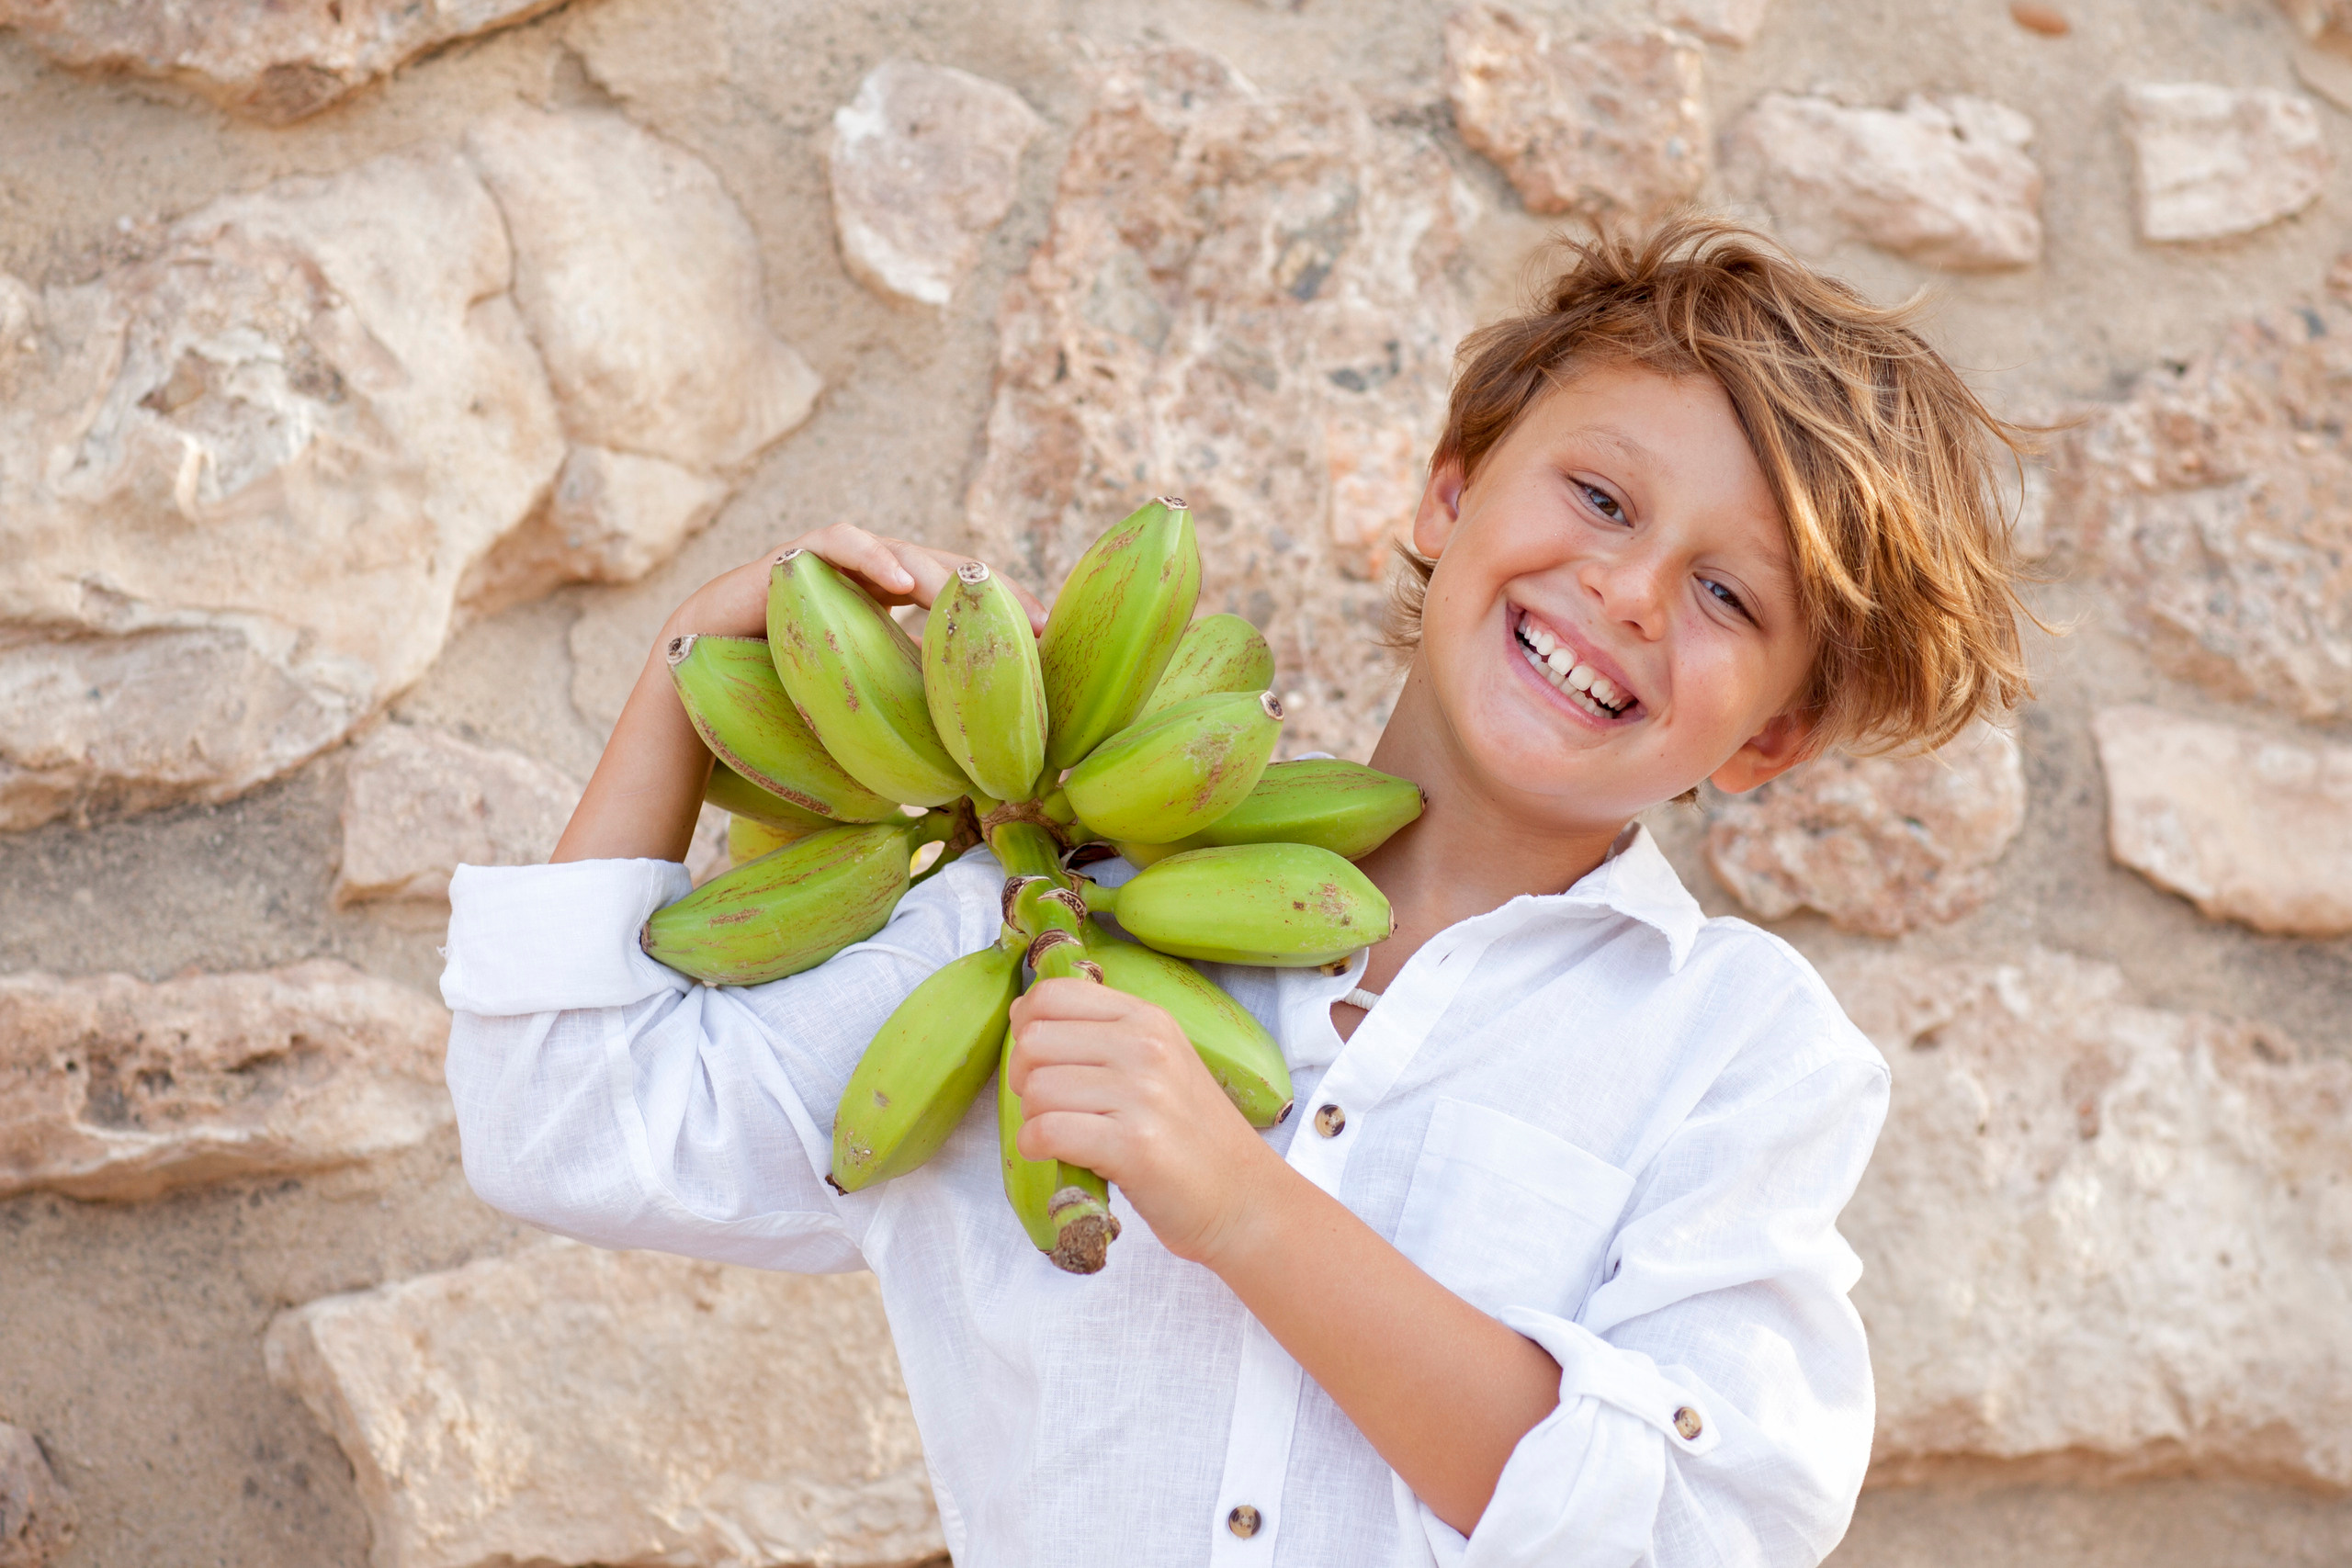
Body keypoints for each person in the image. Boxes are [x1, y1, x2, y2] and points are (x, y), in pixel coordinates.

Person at [440, 216, 2032, 1567]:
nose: (1625, 591)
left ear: (1774, 737)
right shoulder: (1035, 920)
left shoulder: (1738, 1051)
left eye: (1728, 595)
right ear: (1450, 492)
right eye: (1603, 500)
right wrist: (688, 678)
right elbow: (565, 1122)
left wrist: (1240, 1203)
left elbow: (1690, 1523)